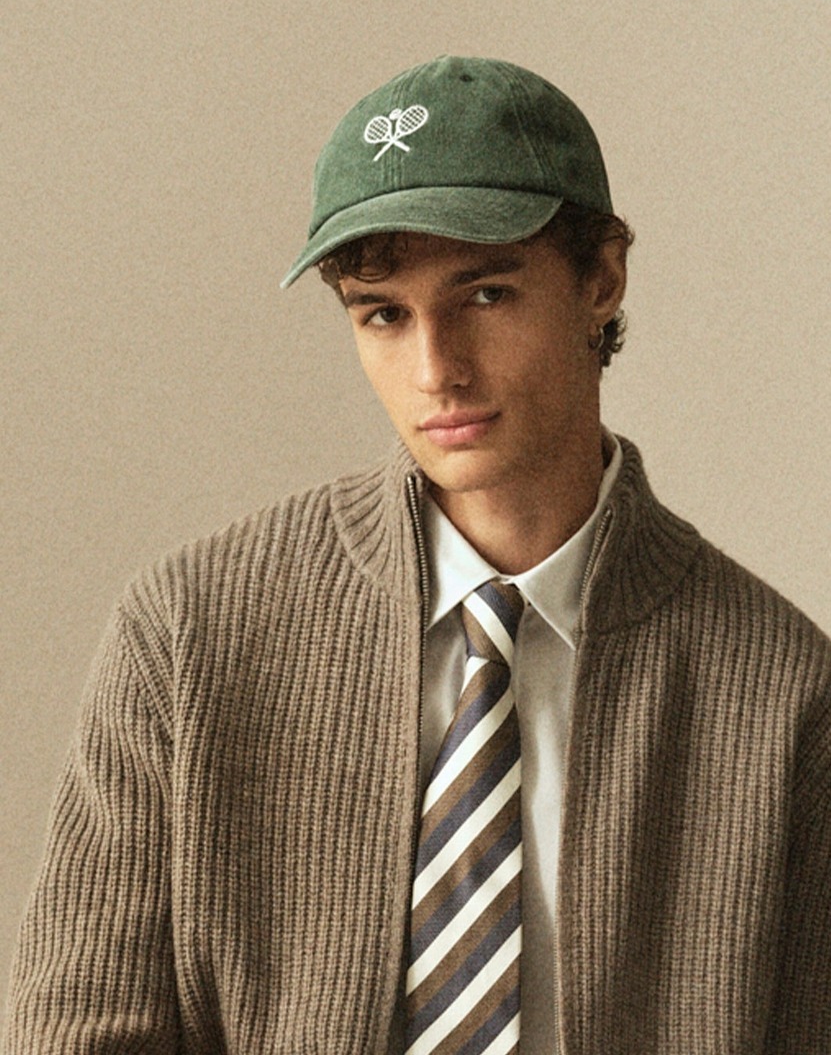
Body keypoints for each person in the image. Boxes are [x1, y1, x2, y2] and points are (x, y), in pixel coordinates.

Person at [3, 56, 830, 1055]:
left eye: (485, 295)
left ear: (602, 279)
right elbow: (73, 1031)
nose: (436, 368)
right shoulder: (189, 630)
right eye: (384, 313)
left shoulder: (781, 692)